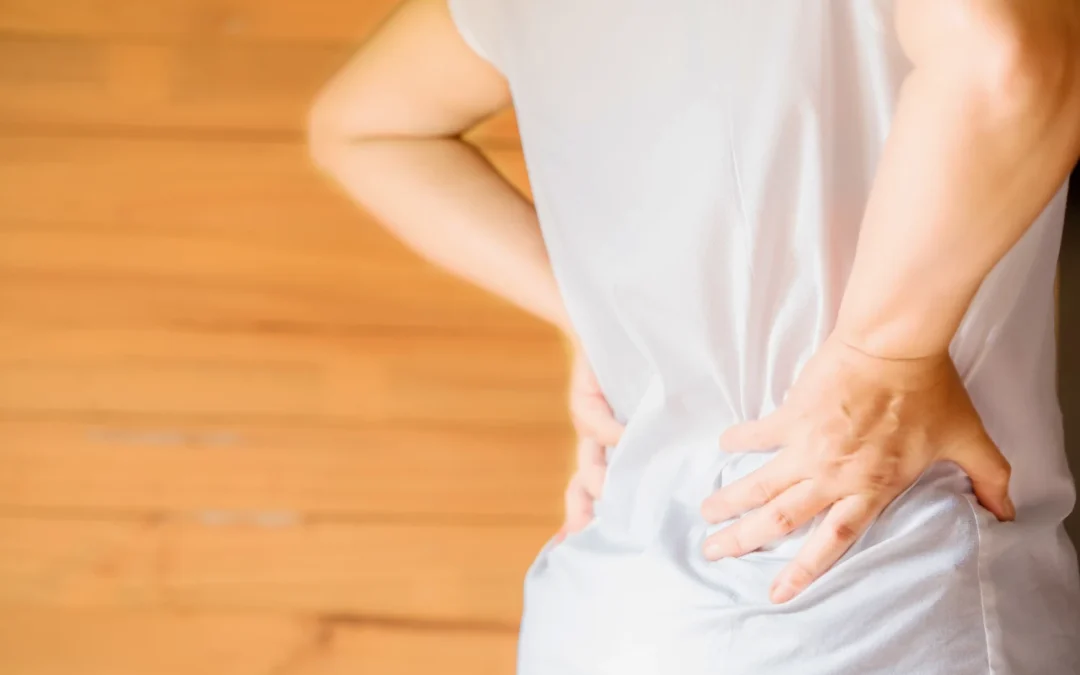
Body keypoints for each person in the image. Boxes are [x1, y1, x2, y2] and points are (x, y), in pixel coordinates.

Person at [308, 0, 1080, 672]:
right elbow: (1008, 62)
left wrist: (598, 313)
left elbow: (364, 129)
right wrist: (884, 354)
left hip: (606, 614)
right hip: (874, 597)